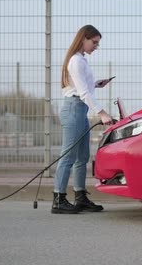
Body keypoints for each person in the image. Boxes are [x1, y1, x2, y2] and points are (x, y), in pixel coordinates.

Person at [52, 25, 114, 214]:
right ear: (83, 39)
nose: (96, 46)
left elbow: (84, 87)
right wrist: (102, 113)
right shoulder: (75, 61)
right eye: (94, 42)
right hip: (74, 109)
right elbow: (83, 93)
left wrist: (96, 84)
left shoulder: (81, 60)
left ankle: (80, 197)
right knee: (68, 156)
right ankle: (58, 200)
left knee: (82, 157)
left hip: (80, 110)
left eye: (97, 43)